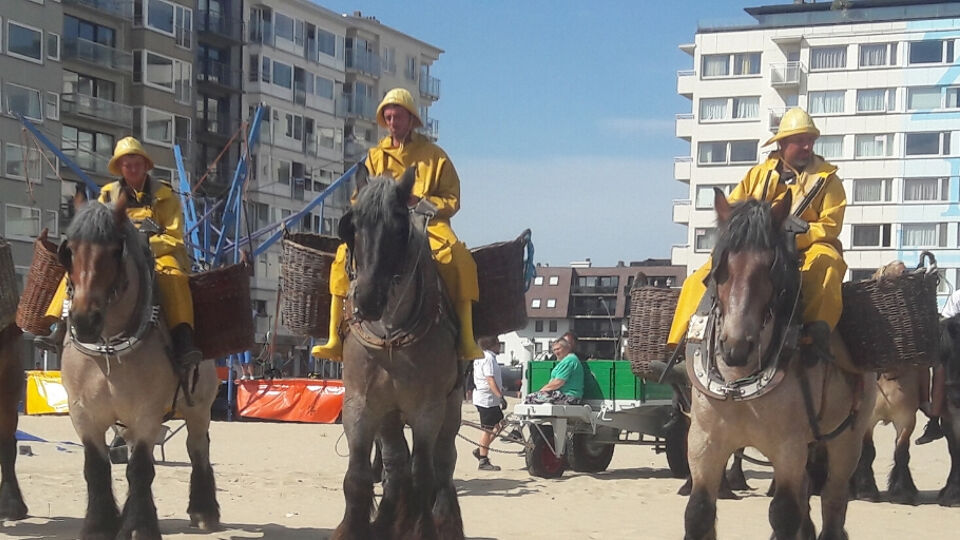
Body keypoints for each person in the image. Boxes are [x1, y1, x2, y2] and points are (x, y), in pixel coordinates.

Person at [654, 107, 846, 382]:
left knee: (826, 267)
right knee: (698, 278)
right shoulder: (758, 174)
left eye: (810, 140)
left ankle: (813, 338)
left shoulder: (829, 179)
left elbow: (831, 224)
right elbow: (733, 211)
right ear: (782, 144)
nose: (807, 146)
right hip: (757, 247)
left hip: (809, 245)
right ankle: (680, 350)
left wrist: (795, 236)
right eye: (800, 140)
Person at [312, 88, 483, 362]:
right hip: (383, 228)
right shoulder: (374, 156)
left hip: (428, 223)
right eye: (388, 117)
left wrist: (421, 202)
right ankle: (334, 336)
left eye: (397, 117)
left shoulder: (435, 156)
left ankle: (465, 337)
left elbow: (452, 199)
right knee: (342, 258)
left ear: (412, 119)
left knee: (458, 259)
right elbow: (360, 197)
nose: (392, 122)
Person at [38, 137, 202, 378]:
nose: (132, 168)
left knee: (174, 277)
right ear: (120, 168)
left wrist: (143, 247)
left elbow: (174, 237)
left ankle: (183, 337)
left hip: (160, 254)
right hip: (116, 254)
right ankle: (60, 327)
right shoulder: (107, 195)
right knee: (77, 273)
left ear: (145, 165)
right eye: (127, 164)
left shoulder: (166, 197)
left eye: (136, 163)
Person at [472, 336, 507, 471]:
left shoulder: (484, 356)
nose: (499, 347)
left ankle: (481, 448)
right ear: (492, 345)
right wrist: (501, 396)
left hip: (488, 399)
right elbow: (490, 379)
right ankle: (483, 460)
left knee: (500, 424)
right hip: (486, 399)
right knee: (487, 429)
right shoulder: (488, 358)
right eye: (498, 344)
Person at [525, 338, 584, 404]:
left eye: (558, 349)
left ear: (567, 348)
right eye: (554, 350)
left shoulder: (569, 361)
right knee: (532, 398)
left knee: (530, 398)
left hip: (569, 396)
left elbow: (558, 382)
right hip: (562, 395)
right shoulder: (566, 360)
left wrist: (541, 391)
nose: (556, 352)